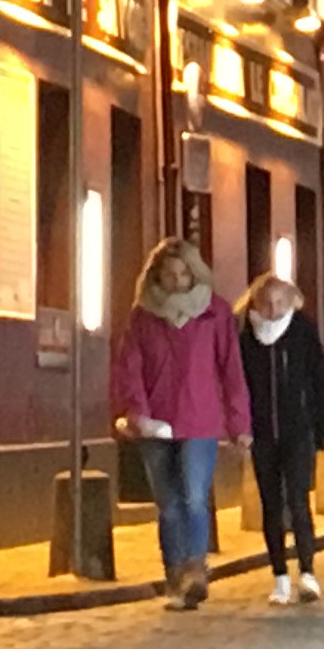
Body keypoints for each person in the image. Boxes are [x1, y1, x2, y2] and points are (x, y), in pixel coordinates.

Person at [116, 239, 251, 608]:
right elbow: (130, 367)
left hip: (200, 418)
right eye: (169, 274)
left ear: (195, 273)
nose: (176, 281)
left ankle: (196, 571)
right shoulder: (142, 316)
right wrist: (137, 412)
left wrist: (240, 424)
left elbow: (231, 370)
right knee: (168, 504)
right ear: (155, 276)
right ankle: (174, 578)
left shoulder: (215, 313)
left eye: (183, 273)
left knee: (194, 497)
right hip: (154, 424)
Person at [237, 273, 324, 607]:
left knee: (298, 500)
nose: (273, 309)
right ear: (255, 302)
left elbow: (320, 377)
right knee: (270, 505)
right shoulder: (246, 335)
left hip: (298, 431)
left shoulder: (302, 330)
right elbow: (237, 384)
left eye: (280, 301)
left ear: (291, 300)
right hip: (262, 434)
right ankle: (279, 575)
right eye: (266, 302)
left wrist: (322, 424)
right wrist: (240, 425)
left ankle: (307, 572)